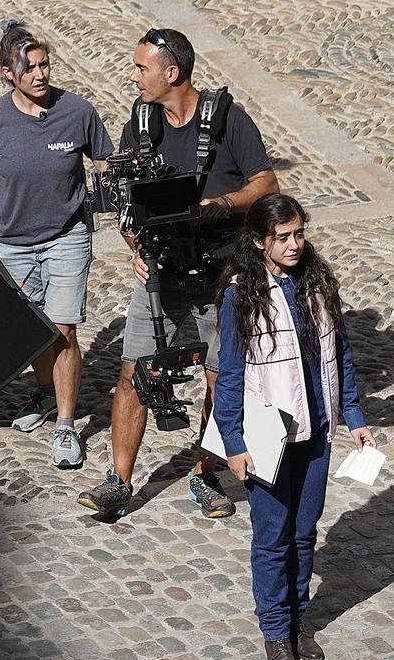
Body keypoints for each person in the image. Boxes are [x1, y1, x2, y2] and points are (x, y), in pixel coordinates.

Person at [78, 27, 278, 521]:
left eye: (141, 68)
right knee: (135, 371)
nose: (133, 77)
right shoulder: (141, 122)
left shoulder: (228, 118)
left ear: (172, 72)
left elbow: (267, 182)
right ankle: (118, 481)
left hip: (220, 270)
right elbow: (127, 199)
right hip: (161, 270)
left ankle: (204, 473)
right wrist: (135, 247)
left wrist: (221, 206)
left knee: (218, 378)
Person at [213, 194, 376, 660]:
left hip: (317, 430)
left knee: (304, 533)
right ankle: (276, 632)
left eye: (298, 234)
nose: (293, 244)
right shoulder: (240, 295)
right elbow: (230, 374)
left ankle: (301, 621)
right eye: (282, 237)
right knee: (272, 538)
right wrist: (234, 441)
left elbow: (340, 354)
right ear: (260, 241)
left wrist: (353, 413)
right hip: (270, 436)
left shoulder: (319, 284)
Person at [0, 20, 112, 468]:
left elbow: (104, 162)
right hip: (12, 241)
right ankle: (44, 392)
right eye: (29, 69)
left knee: (64, 329)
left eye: (44, 65)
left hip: (67, 238)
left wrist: (104, 210)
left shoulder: (78, 112)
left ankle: (66, 426)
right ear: (7, 73)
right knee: (31, 331)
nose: (40, 75)